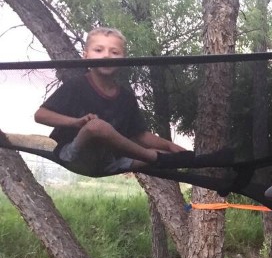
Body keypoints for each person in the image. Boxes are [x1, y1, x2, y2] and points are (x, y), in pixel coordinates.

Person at [34, 27, 198, 176]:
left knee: (173, 156)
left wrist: (169, 146)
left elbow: (139, 134)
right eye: (98, 50)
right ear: (86, 56)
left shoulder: (126, 97)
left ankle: (182, 162)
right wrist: (76, 122)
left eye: (114, 52)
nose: (106, 55)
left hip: (112, 162)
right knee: (96, 126)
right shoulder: (76, 86)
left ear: (124, 59)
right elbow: (41, 115)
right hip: (75, 157)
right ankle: (154, 157)